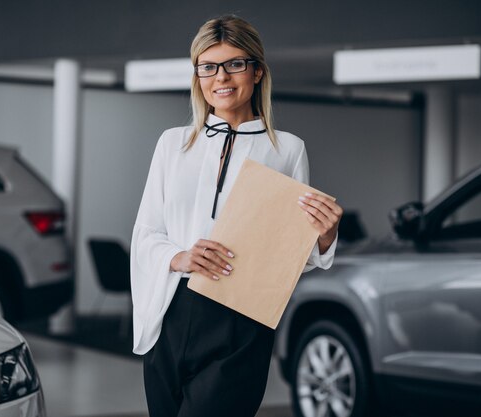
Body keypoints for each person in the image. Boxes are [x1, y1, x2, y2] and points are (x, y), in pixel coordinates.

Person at [130, 14, 343, 417]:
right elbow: (146, 231)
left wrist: (325, 237)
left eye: (234, 64)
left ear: (257, 71)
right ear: (197, 75)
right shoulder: (172, 144)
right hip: (170, 312)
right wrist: (180, 257)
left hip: (242, 321)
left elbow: (292, 255)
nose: (220, 77)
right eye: (208, 67)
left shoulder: (288, 150)